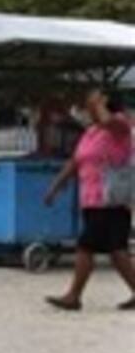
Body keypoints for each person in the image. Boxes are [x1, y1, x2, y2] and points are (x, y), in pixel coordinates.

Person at [43, 91, 134, 311]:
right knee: (117, 251)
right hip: (92, 199)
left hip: (111, 199)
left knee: (87, 247)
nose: (88, 109)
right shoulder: (92, 132)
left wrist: (99, 103)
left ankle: (74, 296)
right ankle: (74, 296)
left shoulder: (120, 125)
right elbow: (76, 160)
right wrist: (56, 185)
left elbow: (109, 121)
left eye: (91, 105)